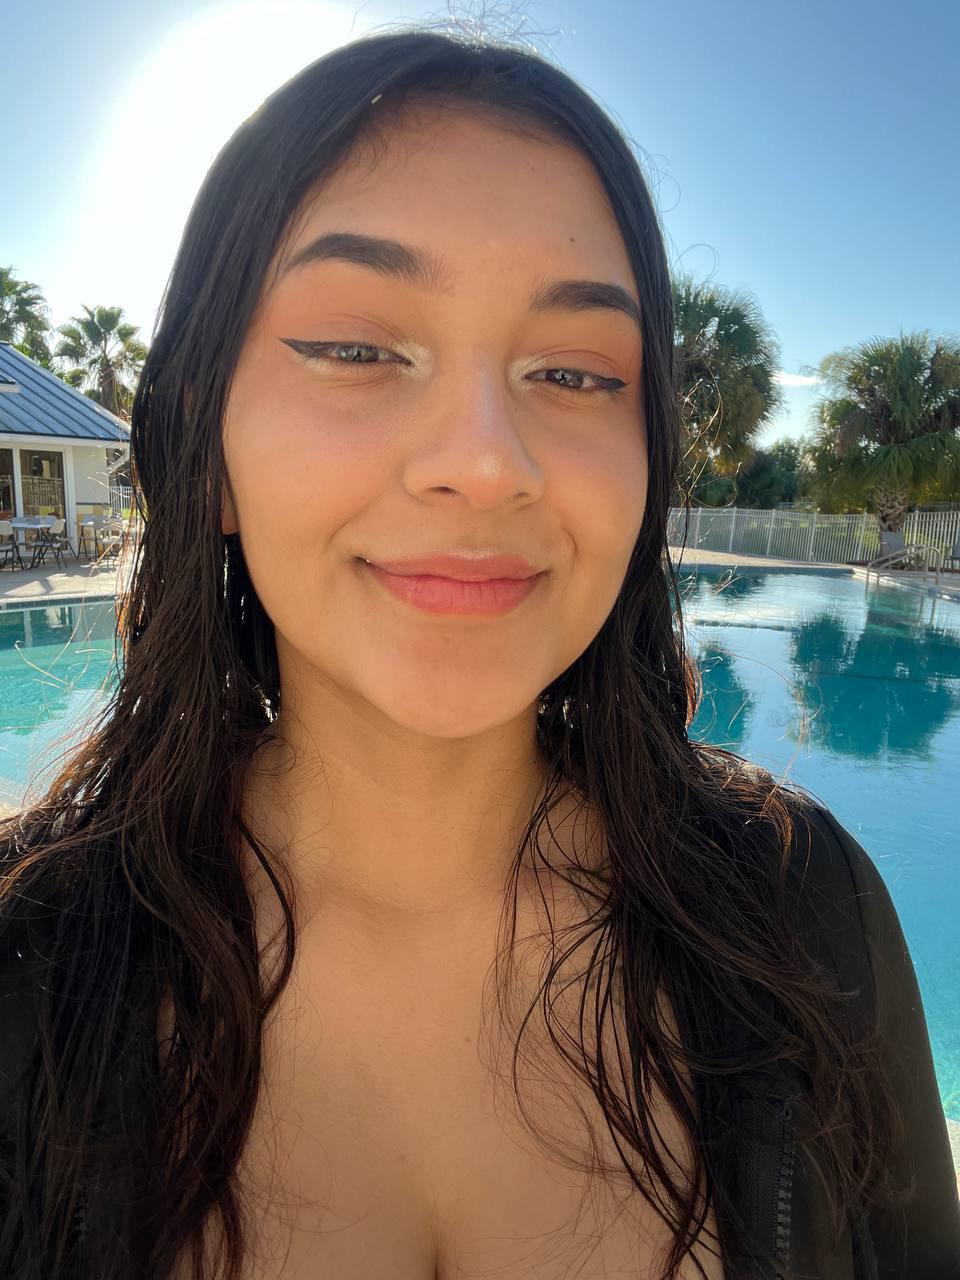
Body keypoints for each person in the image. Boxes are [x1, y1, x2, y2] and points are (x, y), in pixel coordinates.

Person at [1, 25, 957, 1280]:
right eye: (356, 349)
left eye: (573, 371)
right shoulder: (24, 968)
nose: (487, 460)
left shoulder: (810, 915)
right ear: (203, 440)